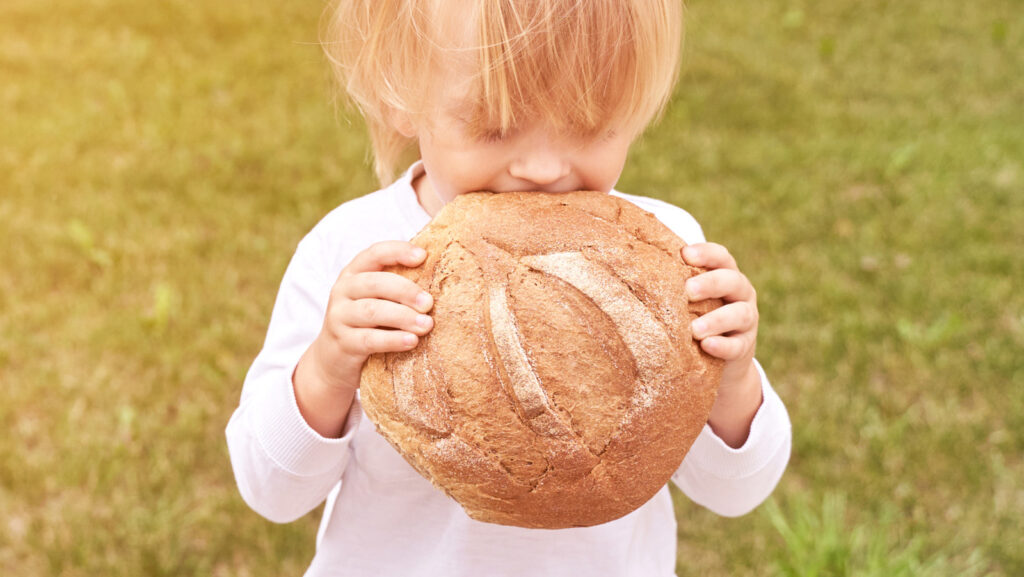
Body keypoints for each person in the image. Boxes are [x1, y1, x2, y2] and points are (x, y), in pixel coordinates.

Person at [226, 1, 791, 575]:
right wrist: (327, 369)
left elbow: (737, 493)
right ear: (401, 93)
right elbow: (269, 490)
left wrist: (732, 379)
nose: (543, 168)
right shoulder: (351, 254)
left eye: (590, 124)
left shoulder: (669, 259)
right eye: (494, 126)